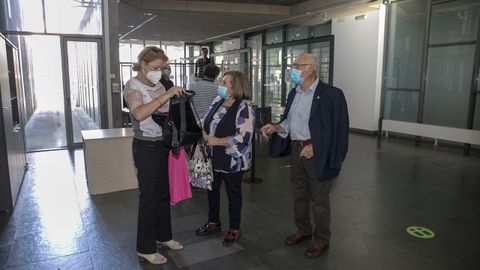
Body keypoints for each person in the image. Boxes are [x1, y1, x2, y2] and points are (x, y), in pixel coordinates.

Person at [260, 53, 349, 258]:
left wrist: (316, 146)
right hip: (296, 150)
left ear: (310, 68)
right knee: (299, 194)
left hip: (317, 153)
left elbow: (338, 130)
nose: (293, 69)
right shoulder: (295, 93)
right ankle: (303, 230)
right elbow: (289, 123)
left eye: (297, 65)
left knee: (319, 199)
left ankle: (321, 240)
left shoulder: (332, 95)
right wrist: (276, 127)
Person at [123, 46, 185, 265]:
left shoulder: (159, 84)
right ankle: (145, 248)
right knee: (148, 198)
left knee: (162, 195)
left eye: (162, 67)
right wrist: (166, 94)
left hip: (163, 145)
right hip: (145, 147)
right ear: (144, 64)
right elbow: (139, 113)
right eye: (156, 67)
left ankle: (164, 236)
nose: (159, 71)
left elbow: (167, 112)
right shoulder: (132, 85)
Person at [195, 71, 255, 246]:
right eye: (222, 80)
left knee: (233, 194)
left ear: (235, 87)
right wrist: (200, 129)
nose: (221, 84)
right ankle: (213, 221)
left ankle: (234, 228)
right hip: (213, 157)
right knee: (211, 190)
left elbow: (244, 138)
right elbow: (207, 121)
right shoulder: (217, 101)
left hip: (233, 160)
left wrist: (217, 141)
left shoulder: (245, 108)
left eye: (225, 82)